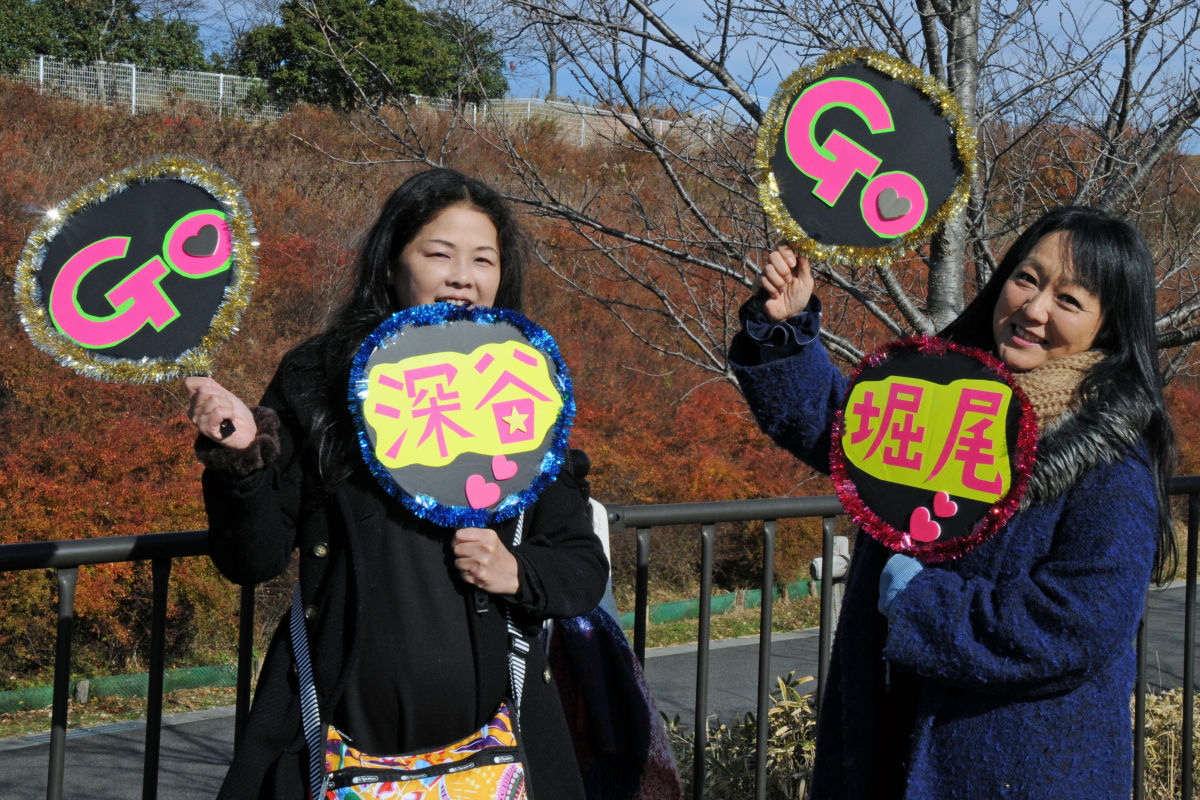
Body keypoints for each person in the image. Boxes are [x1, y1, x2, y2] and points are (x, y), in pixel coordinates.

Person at [185, 167, 609, 800]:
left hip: (498, 753)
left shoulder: (522, 387)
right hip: (338, 747)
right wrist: (243, 454)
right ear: (391, 265)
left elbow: (581, 566)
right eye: (439, 253)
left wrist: (516, 573)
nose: (463, 275)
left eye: (483, 260)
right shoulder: (319, 378)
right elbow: (253, 558)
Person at [728, 206, 1176, 799]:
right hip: (883, 743)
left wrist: (919, 602)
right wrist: (785, 327)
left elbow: (1074, 625)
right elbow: (837, 430)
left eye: (1069, 301)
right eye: (1027, 278)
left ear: (1108, 326)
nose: (1035, 309)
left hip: (1020, 773)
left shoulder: (1110, 462)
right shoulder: (945, 398)